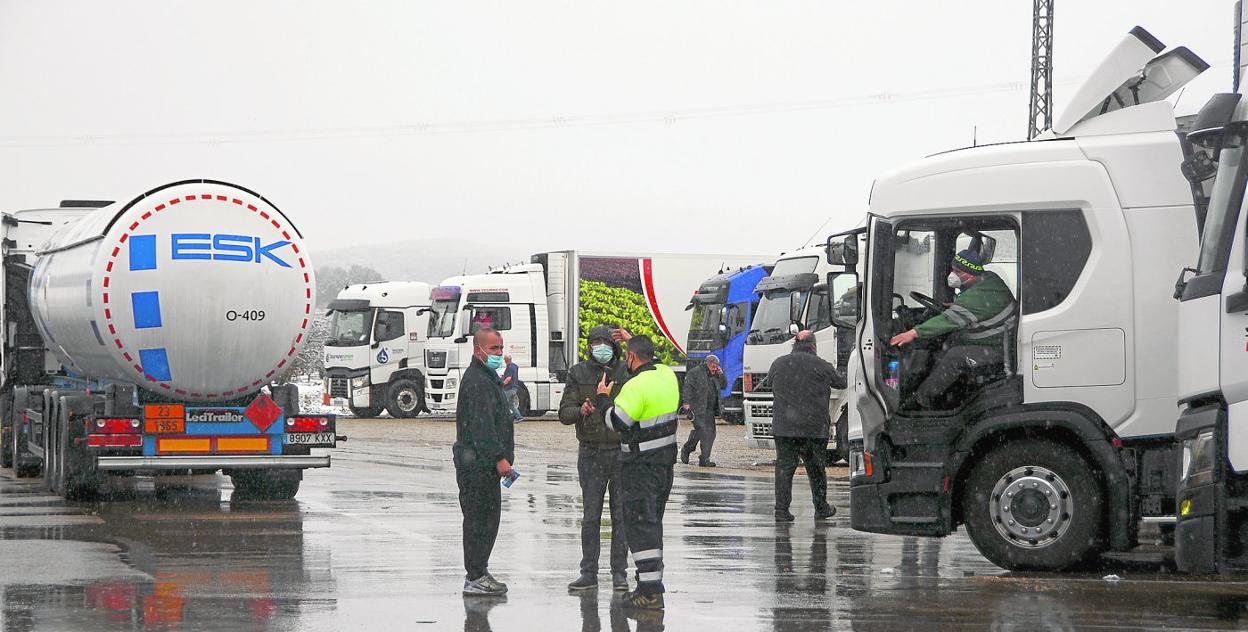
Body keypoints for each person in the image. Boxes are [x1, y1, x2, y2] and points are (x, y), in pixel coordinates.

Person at [596, 334, 680, 610]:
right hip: (664, 465)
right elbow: (652, 361)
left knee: (641, 528)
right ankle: (650, 582)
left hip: (639, 467)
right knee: (653, 524)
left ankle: (649, 591)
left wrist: (602, 400)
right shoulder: (667, 375)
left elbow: (617, 421)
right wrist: (634, 342)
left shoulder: (635, 386)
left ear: (631, 357)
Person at [888, 249, 1017, 408]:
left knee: (954, 356)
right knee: (948, 342)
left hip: (999, 350)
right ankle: (947, 393)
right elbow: (978, 306)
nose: (952, 274)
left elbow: (946, 320)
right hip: (1000, 340)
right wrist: (956, 305)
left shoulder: (975, 298)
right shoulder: (988, 280)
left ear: (969, 273)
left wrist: (913, 332)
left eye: (957, 271)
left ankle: (920, 400)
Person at [558, 325, 632, 592]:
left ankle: (619, 573)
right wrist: (582, 410)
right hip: (590, 452)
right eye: (595, 342)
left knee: (621, 516)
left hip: (621, 452)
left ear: (614, 346)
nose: (600, 346)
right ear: (588, 346)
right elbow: (564, 413)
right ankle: (588, 572)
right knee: (591, 516)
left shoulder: (626, 371)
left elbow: (652, 367)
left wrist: (632, 340)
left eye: (605, 342)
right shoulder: (578, 373)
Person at [452, 328, 516, 596]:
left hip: (481, 464)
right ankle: (475, 575)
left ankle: (480, 570)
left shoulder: (487, 378)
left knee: (487, 521)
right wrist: (500, 458)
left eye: (500, 348)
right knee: (480, 521)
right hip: (478, 466)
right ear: (478, 350)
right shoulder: (478, 381)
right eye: (493, 349)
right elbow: (483, 427)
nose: (498, 354)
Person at [768, 330, 845, 522]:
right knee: (816, 469)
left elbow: (769, 382)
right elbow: (841, 383)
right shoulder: (821, 365)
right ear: (813, 345)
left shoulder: (779, 363)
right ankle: (821, 508)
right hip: (813, 428)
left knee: (784, 469)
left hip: (784, 427)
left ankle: (781, 511)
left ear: (794, 344)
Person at [679, 354, 726, 467]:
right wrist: (686, 403)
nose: (715, 369)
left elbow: (724, 386)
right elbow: (687, 387)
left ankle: (704, 458)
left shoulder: (716, 375)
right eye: (714, 367)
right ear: (708, 364)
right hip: (697, 408)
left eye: (717, 367)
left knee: (710, 434)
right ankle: (687, 449)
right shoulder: (695, 372)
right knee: (703, 432)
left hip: (709, 409)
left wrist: (721, 375)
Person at [501, 354, 523, 422]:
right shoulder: (514, 366)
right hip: (515, 388)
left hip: (509, 388)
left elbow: (508, 378)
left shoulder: (509, 367)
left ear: (506, 360)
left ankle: (504, 418)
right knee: (511, 404)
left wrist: (501, 384)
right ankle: (519, 417)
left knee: (503, 402)